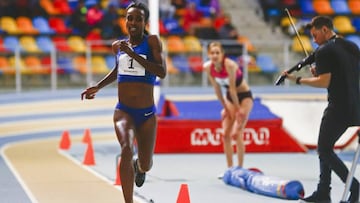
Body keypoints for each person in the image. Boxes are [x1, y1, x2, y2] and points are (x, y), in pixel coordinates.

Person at [81, 2, 167, 203]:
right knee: (126, 149)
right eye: (130, 18)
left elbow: (161, 72)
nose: (133, 22)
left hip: (146, 115)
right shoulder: (117, 46)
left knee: (146, 163)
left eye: (138, 18)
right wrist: (98, 86)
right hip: (124, 111)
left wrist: (133, 55)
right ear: (125, 21)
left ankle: (140, 167)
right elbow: (119, 70)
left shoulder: (153, 42)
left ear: (145, 22)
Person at [282, 16, 360, 203]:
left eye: (315, 35)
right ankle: (323, 192)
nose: (314, 40)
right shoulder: (351, 46)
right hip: (356, 105)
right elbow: (345, 72)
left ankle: (353, 186)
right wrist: (324, 71)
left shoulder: (324, 50)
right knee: (326, 147)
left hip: (338, 107)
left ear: (325, 30)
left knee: (324, 149)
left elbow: (324, 82)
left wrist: (297, 80)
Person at [203, 41, 253, 174]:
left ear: (222, 54)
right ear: (208, 54)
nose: (214, 55)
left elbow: (232, 89)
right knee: (225, 134)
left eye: (217, 53)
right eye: (212, 53)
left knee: (236, 133)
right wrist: (225, 107)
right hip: (230, 98)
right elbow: (217, 89)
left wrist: (237, 111)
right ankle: (230, 169)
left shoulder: (230, 65)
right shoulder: (208, 67)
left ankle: (240, 168)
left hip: (244, 97)